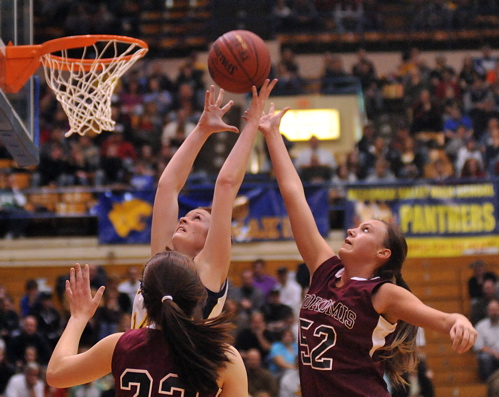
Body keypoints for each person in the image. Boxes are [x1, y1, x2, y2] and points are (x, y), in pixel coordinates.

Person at [258, 103, 477, 397]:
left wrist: (460, 321)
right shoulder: (324, 270)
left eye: (365, 230)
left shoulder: (382, 292)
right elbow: (293, 194)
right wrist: (273, 134)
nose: (352, 230)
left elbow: (442, 319)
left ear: (382, 254)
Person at [132, 80, 277, 328]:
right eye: (188, 216)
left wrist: (252, 124)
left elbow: (226, 185)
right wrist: (201, 130)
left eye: (197, 218)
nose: (183, 219)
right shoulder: (162, 263)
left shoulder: (208, 270)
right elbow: (167, 187)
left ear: (213, 237)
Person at [45, 256, 247, 396]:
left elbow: (56, 374)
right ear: (199, 297)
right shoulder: (224, 357)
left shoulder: (120, 345)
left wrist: (78, 318)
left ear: (141, 298)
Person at [474, 299, 499, 382]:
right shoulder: (481, 326)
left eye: (496, 310)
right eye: (492, 310)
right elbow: (478, 346)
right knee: (485, 358)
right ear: (488, 312)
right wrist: (494, 353)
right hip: (490, 354)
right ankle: (489, 383)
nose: (495, 313)